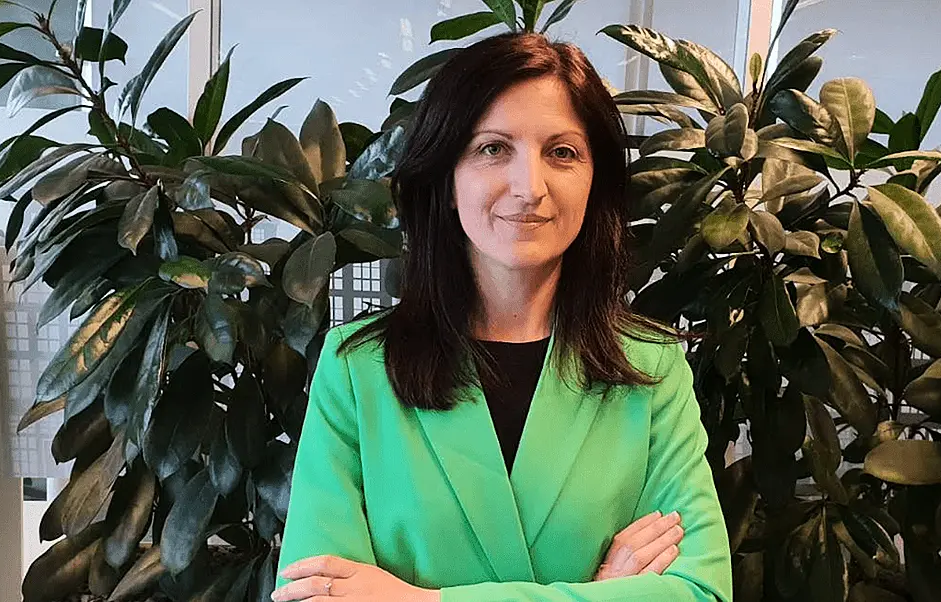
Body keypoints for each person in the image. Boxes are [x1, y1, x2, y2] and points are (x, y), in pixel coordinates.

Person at [269, 31, 732, 602]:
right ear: (446, 176)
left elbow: (701, 593)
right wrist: (601, 593)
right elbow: (314, 593)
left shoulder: (652, 371)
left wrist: (421, 600)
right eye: (493, 148)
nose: (529, 187)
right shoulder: (357, 369)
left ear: (596, 181)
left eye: (562, 152)